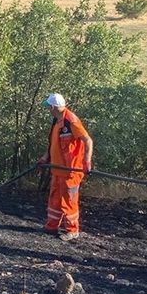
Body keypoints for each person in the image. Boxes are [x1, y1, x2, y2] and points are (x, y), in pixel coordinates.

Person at [36, 93, 94, 241]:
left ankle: (72, 230)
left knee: (69, 201)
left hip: (71, 172)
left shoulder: (71, 121)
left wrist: (87, 162)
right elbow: (53, 145)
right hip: (57, 170)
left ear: (53, 107)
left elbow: (88, 141)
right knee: (55, 199)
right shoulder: (57, 122)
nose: (48, 110)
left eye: (49, 107)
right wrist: (44, 159)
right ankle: (51, 226)